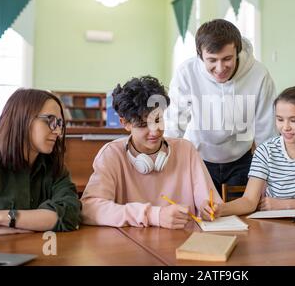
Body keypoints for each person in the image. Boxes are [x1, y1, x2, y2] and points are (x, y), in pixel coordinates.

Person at [81, 76, 222, 229]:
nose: (154, 131)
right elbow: (89, 209)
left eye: (158, 120)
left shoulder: (186, 150)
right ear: (125, 123)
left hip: (182, 244)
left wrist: (209, 208)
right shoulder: (111, 154)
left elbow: (210, 202)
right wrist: (155, 215)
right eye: (143, 125)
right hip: (131, 246)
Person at [165, 19, 277, 196]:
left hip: (242, 161)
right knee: (203, 216)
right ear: (200, 55)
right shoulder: (186, 72)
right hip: (199, 158)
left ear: (237, 51)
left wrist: (271, 177)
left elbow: (266, 130)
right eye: (212, 60)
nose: (220, 68)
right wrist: (164, 161)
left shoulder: (259, 74)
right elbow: (174, 124)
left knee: (241, 215)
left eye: (227, 59)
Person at [205, 87, 295, 217]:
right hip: (276, 226)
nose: (285, 127)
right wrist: (221, 209)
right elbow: (249, 201)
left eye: (294, 120)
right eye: (280, 119)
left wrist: (284, 205)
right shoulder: (265, 150)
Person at [0, 89, 81, 236]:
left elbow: (70, 215)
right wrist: (35, 221)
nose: (58, 131)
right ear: (22, 119)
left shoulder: (56, 169)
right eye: (50, 121)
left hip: (41, 253)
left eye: (59, 123)